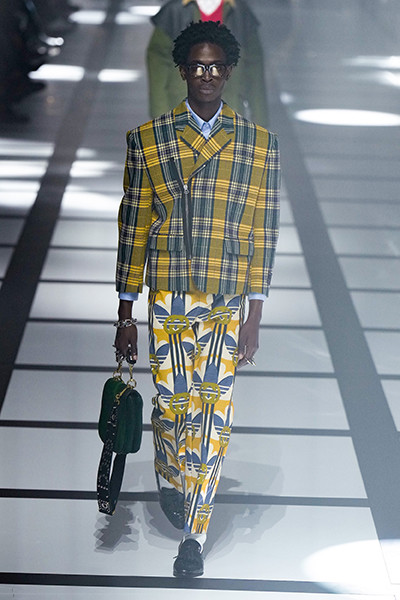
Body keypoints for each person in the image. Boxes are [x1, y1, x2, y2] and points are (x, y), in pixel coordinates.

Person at [114, 20, 280, 578]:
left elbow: (262, 231)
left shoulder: (259, 145)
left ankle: (194, 534)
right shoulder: (149, 140)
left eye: (216, 67)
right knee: (172, 406)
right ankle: (169, 470)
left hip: (226, 295)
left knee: (212, 413)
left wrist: (256, 313)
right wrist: (124, 313)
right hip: (168, 292)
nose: (207, 75)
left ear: (228, 72)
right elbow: (133, 228)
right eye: (197, 66)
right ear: (182, 70)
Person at [146, 0, 269, 127]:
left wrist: (260, 121)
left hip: (230, 106)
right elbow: (157, 64)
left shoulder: (240, 12)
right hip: (182, 108)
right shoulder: (174, 11)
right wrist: (160, 115)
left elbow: (255, 69)